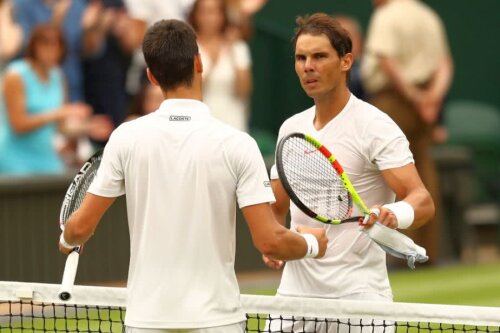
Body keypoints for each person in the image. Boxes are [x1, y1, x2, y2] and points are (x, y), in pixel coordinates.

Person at [58, 19, 328, 333]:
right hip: (217, 321)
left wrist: (67, 238)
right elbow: (270, 241)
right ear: (199, 63)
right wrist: (313, 244)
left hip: (147, 322)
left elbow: (80, 228)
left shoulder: (125, 138)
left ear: (151, 75)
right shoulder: (238, 144)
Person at [264, 13, 435, 332]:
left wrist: (393, 213)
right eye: (301, 58)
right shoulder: (291, 128)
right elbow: (276, 205)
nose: (308, 66)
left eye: (319, 56)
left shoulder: (375, 127)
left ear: (346, 61)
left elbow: (422, 200)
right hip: (295, 299)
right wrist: (277, 242)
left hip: (360, 300)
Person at [361, 0, 454, 263]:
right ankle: (428, 253)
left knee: (387, 174)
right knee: (423, 172)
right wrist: (432, 98)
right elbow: (445, 63)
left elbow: (386, 61)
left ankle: (394, 255)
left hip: (393, 100)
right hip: (425, 103)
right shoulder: (428, 15)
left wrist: (414, 96)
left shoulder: (386, 16)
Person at [0, 24, 94, 174]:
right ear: (34, 47)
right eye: (46, 45)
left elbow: (60, 127)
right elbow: (18, 125)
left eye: (56, 46)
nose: (52, 51)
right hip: (14, 159)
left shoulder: (58, 76)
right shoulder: (15, 75)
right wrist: (59, 113)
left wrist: (89, 127)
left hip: (46, 159)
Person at [188, 0, 253, 132]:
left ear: (223, 16)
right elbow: (191, 91)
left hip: (233, 121)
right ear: (195, 15)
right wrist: (213, 61)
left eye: (213, 12)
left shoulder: (238, 46)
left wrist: (232, 49)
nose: (208, 18)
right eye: (203, 12)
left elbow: (244, 91)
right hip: (199, 122)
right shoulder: (188, 47)